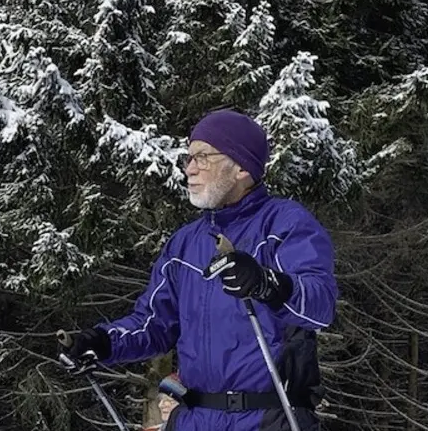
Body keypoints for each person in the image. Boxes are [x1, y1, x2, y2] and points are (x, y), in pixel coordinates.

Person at [60, 109, 338, 430]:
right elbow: (153, 325)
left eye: (202, 157)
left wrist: (268, 284)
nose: (189, 169)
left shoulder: (285, 224)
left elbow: (320, 306)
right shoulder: (184, 244)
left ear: (242, 168)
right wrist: (102, 342)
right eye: (188, 157)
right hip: (193, 419)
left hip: (268, 418)